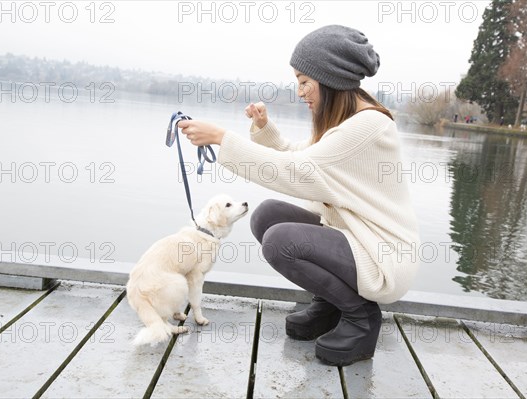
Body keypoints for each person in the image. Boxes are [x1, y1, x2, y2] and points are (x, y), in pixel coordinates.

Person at [178, 25, 421, 366]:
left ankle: (360, 316)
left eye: (305, 81)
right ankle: (329, 304)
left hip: (382, 256)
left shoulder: (367, 126)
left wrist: (222, 139)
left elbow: (297, 171)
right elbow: (299, 155)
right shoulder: (348, 121)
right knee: (267, 215)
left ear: (331, 76)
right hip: (354, 240)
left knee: (280, 241)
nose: (300, 92)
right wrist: (265, 130)